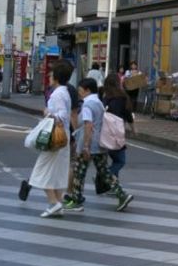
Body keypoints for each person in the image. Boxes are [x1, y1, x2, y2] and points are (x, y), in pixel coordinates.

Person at [63, 78, 133, 213]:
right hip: (100, 143)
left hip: (88, 144)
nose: (79, 93)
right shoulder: (99, 102)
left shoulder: (88, 104)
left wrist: (85, 146)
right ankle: (122, 195)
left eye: (81, 90)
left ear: (87, 90)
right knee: (105, 172)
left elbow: (88, 125)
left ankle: (76, 201)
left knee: (79, 172)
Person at [27, 60, 74, 218]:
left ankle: (54, 202)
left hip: (53, 139)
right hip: (63, 137)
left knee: (41, 171)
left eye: (51, 74)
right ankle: (57, 203)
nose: (48, 76)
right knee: (57, 172)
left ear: (57, 77)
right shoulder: (65, 91)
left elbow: (60, 116)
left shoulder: (57, 94)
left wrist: (47, 112)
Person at [101, 73, 134, 177]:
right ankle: (105, 177)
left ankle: (113, 185)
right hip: (117, 132)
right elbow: (128, 114)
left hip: (104, 132)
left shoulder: (104, 97)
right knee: (120, 160)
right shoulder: (122, 97)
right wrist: (133, 129)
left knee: (114, 158)